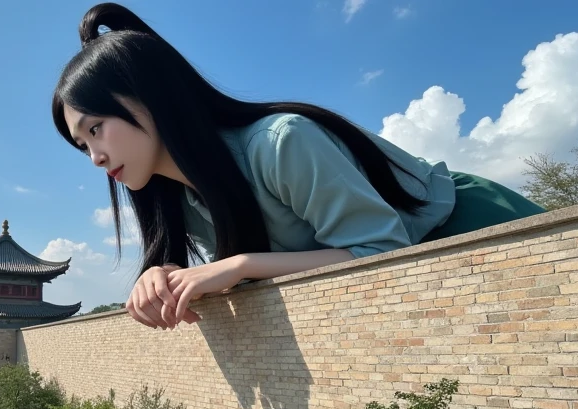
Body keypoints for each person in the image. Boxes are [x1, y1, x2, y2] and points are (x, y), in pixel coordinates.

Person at [50, 3, 546, 330]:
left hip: (468, 226)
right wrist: (164, 275)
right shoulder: (181, 198)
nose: (94, 157)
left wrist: (240, 266)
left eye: (96, 129)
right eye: (80, 144)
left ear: (151, 98)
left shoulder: (280, 143)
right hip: (410, 284)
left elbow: (382, 249)